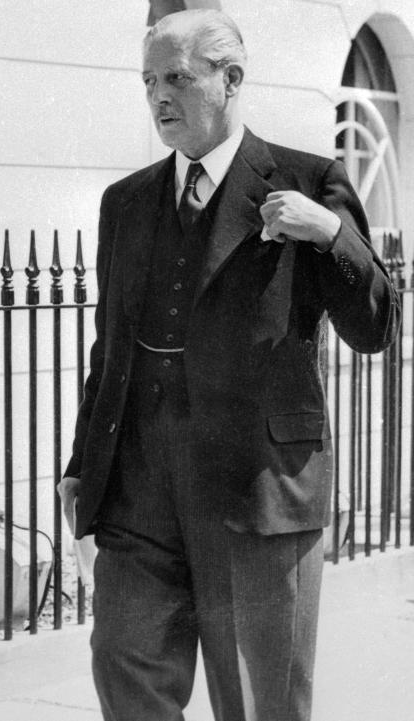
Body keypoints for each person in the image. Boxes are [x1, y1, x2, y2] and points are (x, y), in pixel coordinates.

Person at [57, 10, 399, 721]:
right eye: (149, 80)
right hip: (140, 482)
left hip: (257, 487)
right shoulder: (126, 203)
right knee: (123, 662)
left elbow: (377, 325)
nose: (159, 97)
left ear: (231, 79)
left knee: (256, 702)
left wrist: (330, 231)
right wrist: (82, 463)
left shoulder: (309, 180)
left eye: (177, 78)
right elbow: (109, 346)